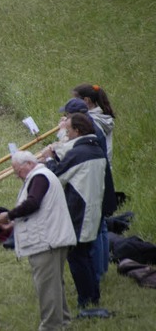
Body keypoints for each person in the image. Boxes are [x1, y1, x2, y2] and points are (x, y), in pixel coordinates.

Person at [0, 151, 76, 331]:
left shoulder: (39, 177)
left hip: (46, 242)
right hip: (53, 239)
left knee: (47, 287)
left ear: (29, 164)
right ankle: (63, 322)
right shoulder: (42, 176)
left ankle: (50, 326)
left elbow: (33, 204)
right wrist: (14, 223)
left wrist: (9, 215)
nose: (18, 176)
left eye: (18, 172)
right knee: (55, 285)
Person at [42, 113, 108, 310]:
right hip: (93, 208)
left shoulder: (79, 153)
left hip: (81, 211)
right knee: (85, 255)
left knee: (77, 257)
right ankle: (93, 296)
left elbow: (56, 177)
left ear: (77, 131)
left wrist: (48, 160)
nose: (67, 134)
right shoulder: (94, 149)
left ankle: (87, 300)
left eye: (68, 130)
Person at [72, 84, 115, 163]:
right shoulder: (103, 117)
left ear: (86, 100)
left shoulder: (91, 121)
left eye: (75, 100)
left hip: (93, 165)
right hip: (104, 164)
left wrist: (65, 129)